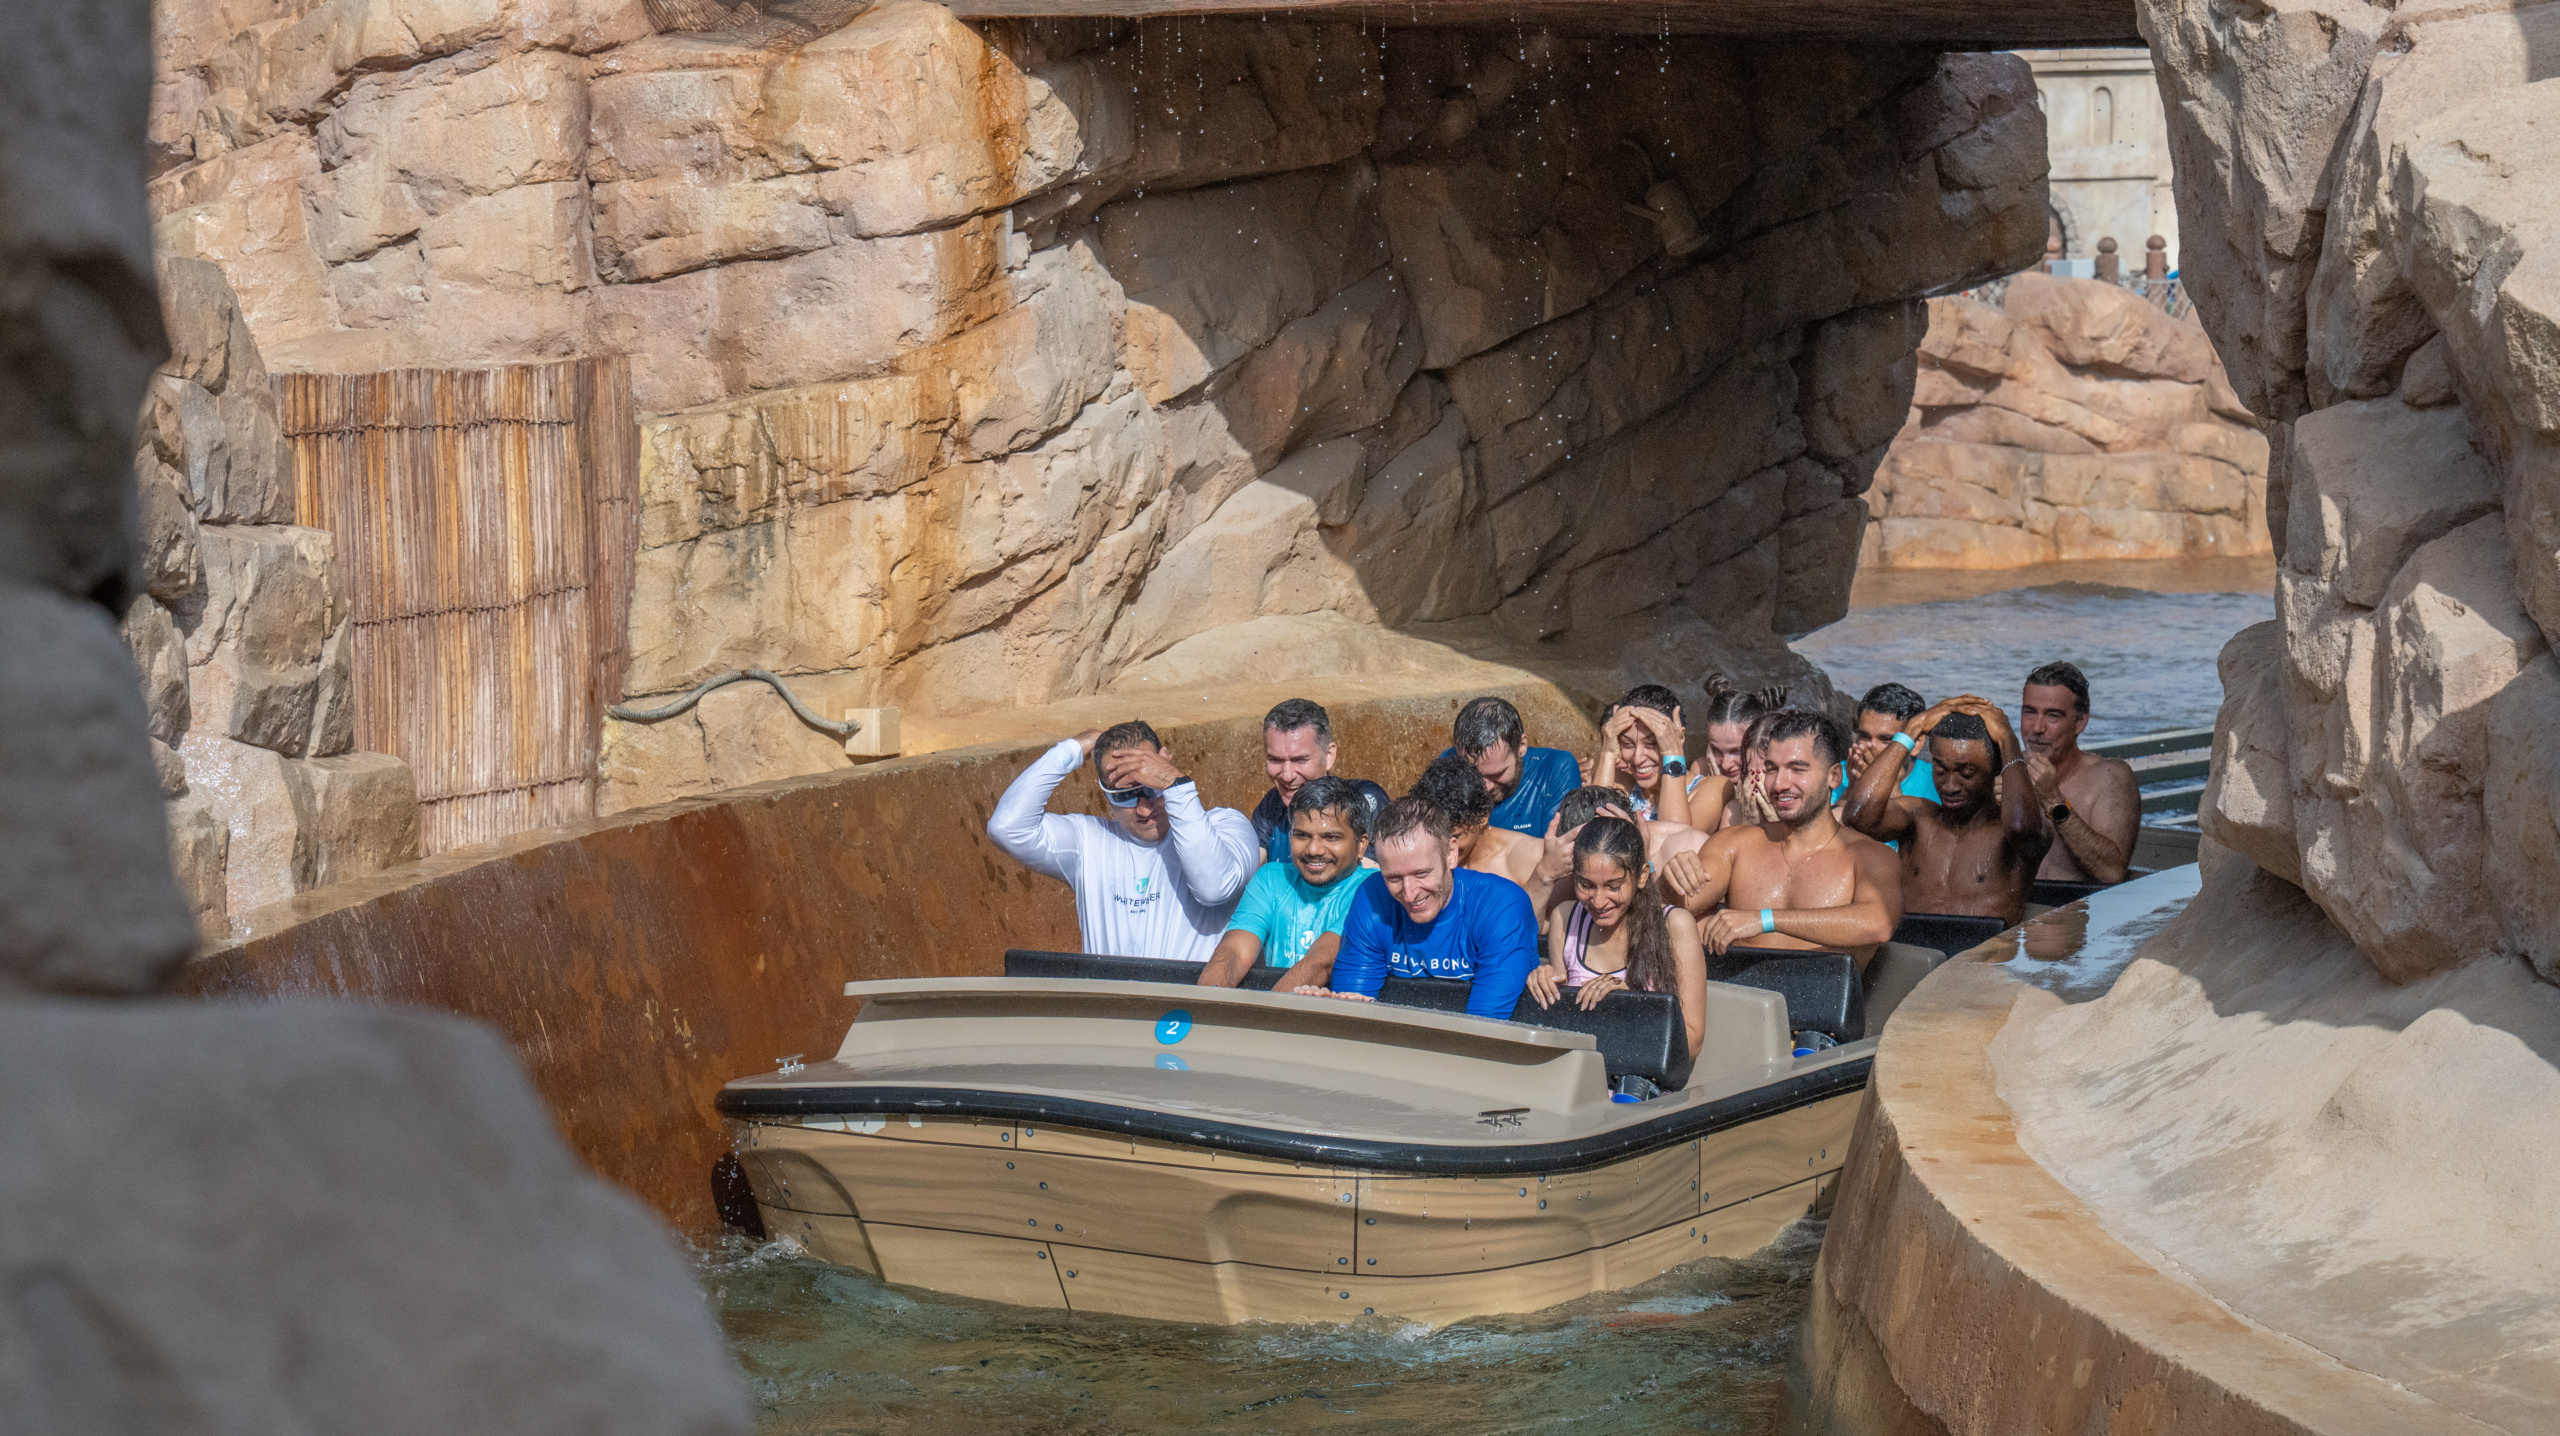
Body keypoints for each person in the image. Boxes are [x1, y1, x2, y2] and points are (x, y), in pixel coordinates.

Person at [986, 720, 1258, 963]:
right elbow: (1006, 827)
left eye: (1151, 788)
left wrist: (1174, 784)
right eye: (1124, 795)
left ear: (1166, 762)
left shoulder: (1226, 825)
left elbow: (1214, 889)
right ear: (1103, 791)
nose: (1143, 809)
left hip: (1187, 1015)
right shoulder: (1088, 840)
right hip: (1113, 1016)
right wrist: (1069, 751)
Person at [1663, 709, 1902, 972]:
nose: (1779, 784)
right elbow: (1680, 901)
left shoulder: (1869, 855)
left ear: (1834, 776)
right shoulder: (1735, 844)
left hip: (1827, 1007)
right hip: (1744, 1003)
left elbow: (1879, 924)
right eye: (1771, 769)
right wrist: (1670, 877)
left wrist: (1765, 920)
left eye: (1797, 769)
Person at [1306, 797, 1543, 1020]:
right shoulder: (1373, 897)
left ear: (1451, 853)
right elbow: (1353, 1014)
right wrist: (1331, 1011)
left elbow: (1482, 1033)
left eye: (1421, 874)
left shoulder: (1502, 906)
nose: (1409, 894)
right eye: (1394, 878)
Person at [1839, 698, 2050, 925]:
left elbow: (2022, 828)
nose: (1950, 786)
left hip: (1984, 957)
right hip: (1919, 955)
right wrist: (1912, 730)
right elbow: (1857, 816)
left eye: (1967, 773)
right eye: (1940, 770)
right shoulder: (1917, 816)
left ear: (1996, 769)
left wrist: (2007, 740)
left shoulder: (2017, 829)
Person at [1526, 816, 1710, 1058]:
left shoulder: (1675, 925)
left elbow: (1693, 1040)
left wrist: (1630, 1005)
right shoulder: (1565, 917)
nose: (1599, 901)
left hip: (1639, 1082)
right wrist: (1544, 982)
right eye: (1586, 885)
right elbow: (1561, 1021)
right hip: (1578, 1073)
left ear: (1642, 876)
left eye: (1613, 886)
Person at [1197, 777, 1373, 989]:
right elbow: (1233, 952)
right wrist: (1203, 1009)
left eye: (1331, 837)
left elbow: (1321, 962)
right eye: (1301, 835)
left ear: (1362, 845)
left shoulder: (1371, 891)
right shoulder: (1271, 879)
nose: (1314, 849)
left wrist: (1268, 1018)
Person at [2017, 661, 2141, 886]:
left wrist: (2053, 801)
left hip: (2076, 913)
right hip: (2015, 913)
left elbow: (2111, 871)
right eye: (2029, 713)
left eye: (2053, 716)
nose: (2036, 728)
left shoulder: (2110, 776)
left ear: (2080, 723)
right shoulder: (2007, 771)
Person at [1246, 698, 1390, 865]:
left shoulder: (1363, 798)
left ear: (1328, 756)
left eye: (1300, 760)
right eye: (1275, 760)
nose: (1286, 775)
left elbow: (1367, 882)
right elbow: (1246, 873)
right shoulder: (1272, 804)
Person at [1409, 750, 1551, 892]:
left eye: (1455, 836)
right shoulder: (1417, 855)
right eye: (1435, 834)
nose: (1445, 847)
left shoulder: (1529, 857)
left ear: (1482, 817)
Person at [1593, 684, 1726, 829]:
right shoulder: (1619, 783)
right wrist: (1608, 752)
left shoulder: (1714, 788)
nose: (1637, 759)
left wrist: (1672, 753)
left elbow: (1673, 838)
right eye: (1627, 744)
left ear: (1679, 737)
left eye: (1651, 744)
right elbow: (1590, 834)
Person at [1451, 696, 1582, 835]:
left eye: (1496, 774)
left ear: (1521, 746)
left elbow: (1558, 850)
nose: (1486, 787)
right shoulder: (1450, 765)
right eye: (1474, 775)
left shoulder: (1555, 769)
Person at [1834, 682, 1940, 809]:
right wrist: (1853, 789)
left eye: (1886, 739)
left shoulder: (1937, 784)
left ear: (1917, 744)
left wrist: (1889, 788)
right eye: (1864, 736)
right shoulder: (1836, 777)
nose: (1870, 746)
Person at [1698, 682, 1774, 830]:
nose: (1726, 764)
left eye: (1737, 751)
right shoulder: (1700, 770)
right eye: (1716, 750)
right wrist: (1718, 790)